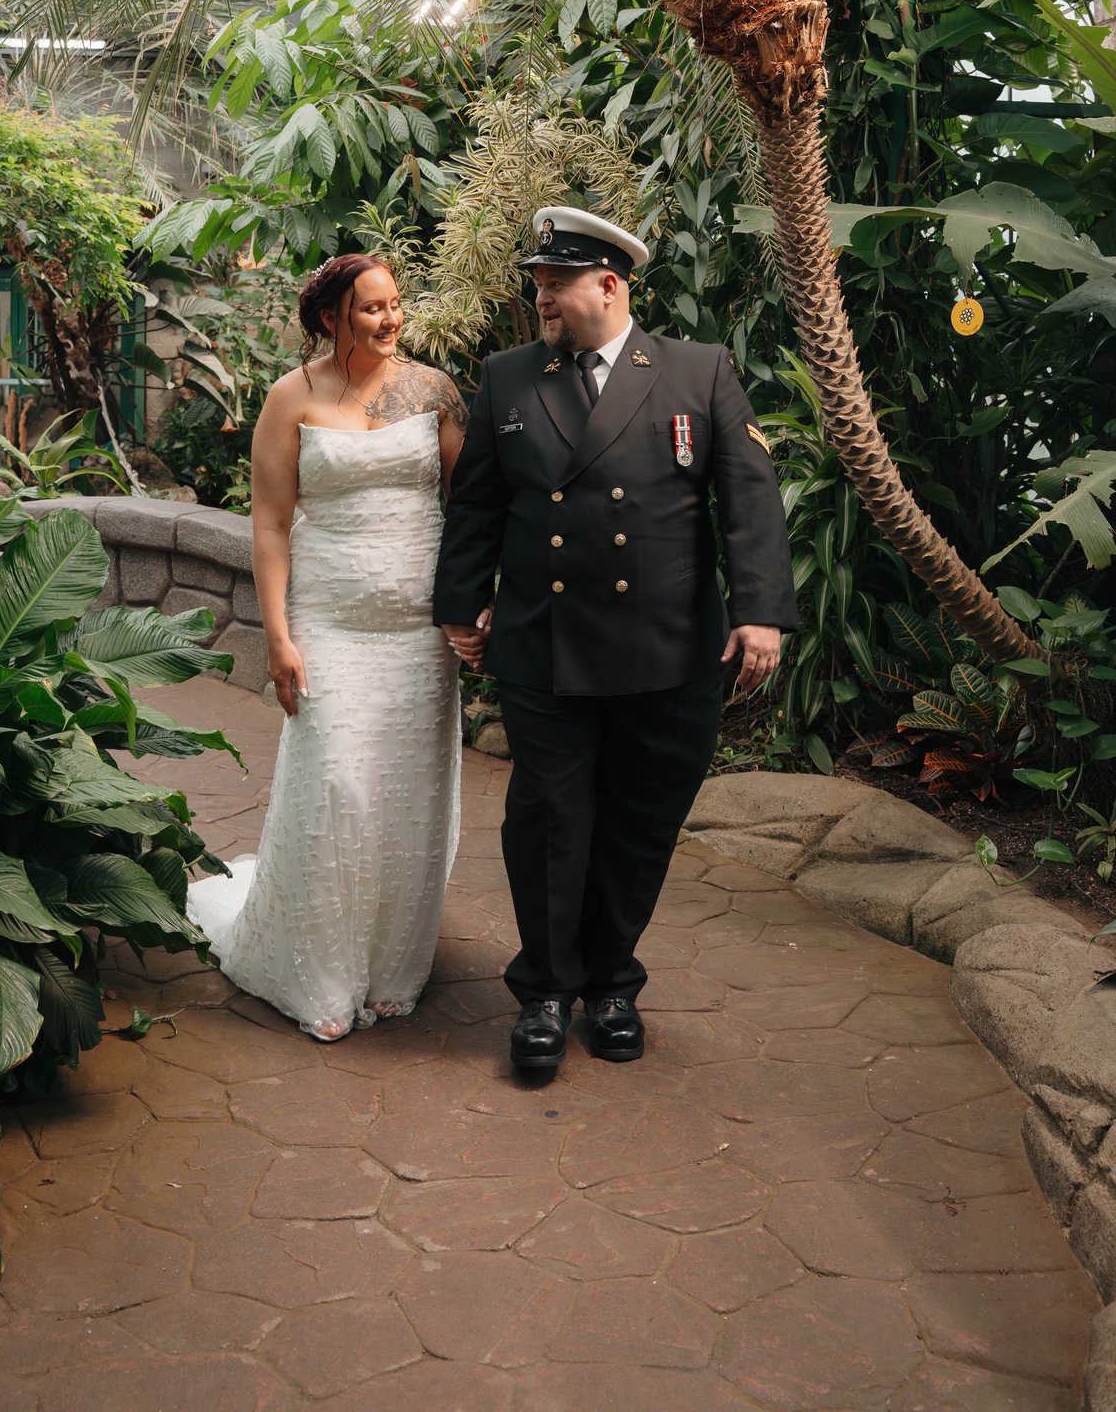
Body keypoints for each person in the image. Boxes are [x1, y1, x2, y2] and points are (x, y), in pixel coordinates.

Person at [433, 205, 798, 1076]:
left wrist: (759, 611)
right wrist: (459, 604)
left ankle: (611, 985)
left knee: (641, 822)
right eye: (537, 282)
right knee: (549, 821)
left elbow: (748, 497)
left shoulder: (696, 370)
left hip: (669, 647)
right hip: (546, 644)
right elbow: (478, 503)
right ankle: (544, 993)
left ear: (609, 284)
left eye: (556, 282)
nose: (541, 297)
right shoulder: (509, 377)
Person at [186, 253, 469, 1041]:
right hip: (330, 625)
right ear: (330, 318)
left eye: (396, 304)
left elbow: (472, 505)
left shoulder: (434, 392)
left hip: (419, 636)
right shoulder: (291, 398)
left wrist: (471, 607)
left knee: (405, 796)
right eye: (372, 308)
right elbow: (271, 524)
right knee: (339, 788)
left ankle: (393, 967)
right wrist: (278, 636)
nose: (390, 319)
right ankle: (322, 973)